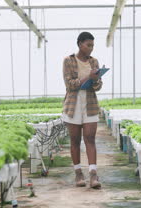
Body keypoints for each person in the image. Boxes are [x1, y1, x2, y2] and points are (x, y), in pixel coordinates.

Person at [62, 31, 102, 189]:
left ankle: (93, 175)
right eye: (88, 45)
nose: (91, 48)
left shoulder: (94, 62)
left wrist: (96, 80)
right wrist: (88, 78)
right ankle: (78, 173)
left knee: (90, 139)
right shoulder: (69, 61)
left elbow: (98, 86)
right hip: (73, 104)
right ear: (80, 44)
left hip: (90, 103)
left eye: (93, 45)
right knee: (75, 140)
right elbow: (69, 84)